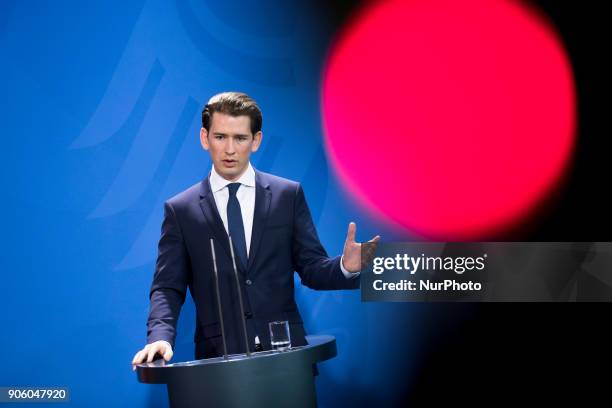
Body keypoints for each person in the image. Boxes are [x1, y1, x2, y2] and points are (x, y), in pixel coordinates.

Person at [132, 92, 380, 366]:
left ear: (256, 140)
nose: (229, 149)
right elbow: (167, 287)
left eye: (240, 138)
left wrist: (346, 266)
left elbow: (311, 268)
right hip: (220, 364)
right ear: (205, 138)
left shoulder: (288, 195)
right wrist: (160, 336)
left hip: (288, 359)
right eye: (220, 137)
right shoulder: (181, 210)